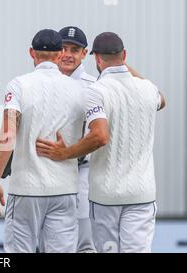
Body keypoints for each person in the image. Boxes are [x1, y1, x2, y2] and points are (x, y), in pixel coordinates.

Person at [36, 32, 166, 253]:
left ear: (95, 57)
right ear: (124, 55)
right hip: (142, 194)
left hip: (106, 194)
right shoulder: (148, 89)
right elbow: (161, 100)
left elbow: (100, 136)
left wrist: (64, 153)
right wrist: (124, 66)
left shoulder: (96, 90)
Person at [0, 29, 85, 253]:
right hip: (65, 189)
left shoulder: (19, 85)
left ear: (31, 53)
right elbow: (89, 135)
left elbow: (7, 135)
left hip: (26, 189)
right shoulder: (79, 89)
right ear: (60, 53)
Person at [58, 26, 96, 252]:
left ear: (84, 53)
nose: (68, 54)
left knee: (85, 244)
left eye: (74, 49)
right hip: (49, 170)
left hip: (82, 172)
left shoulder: (93, 86)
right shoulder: (42, 83)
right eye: (63, 48)